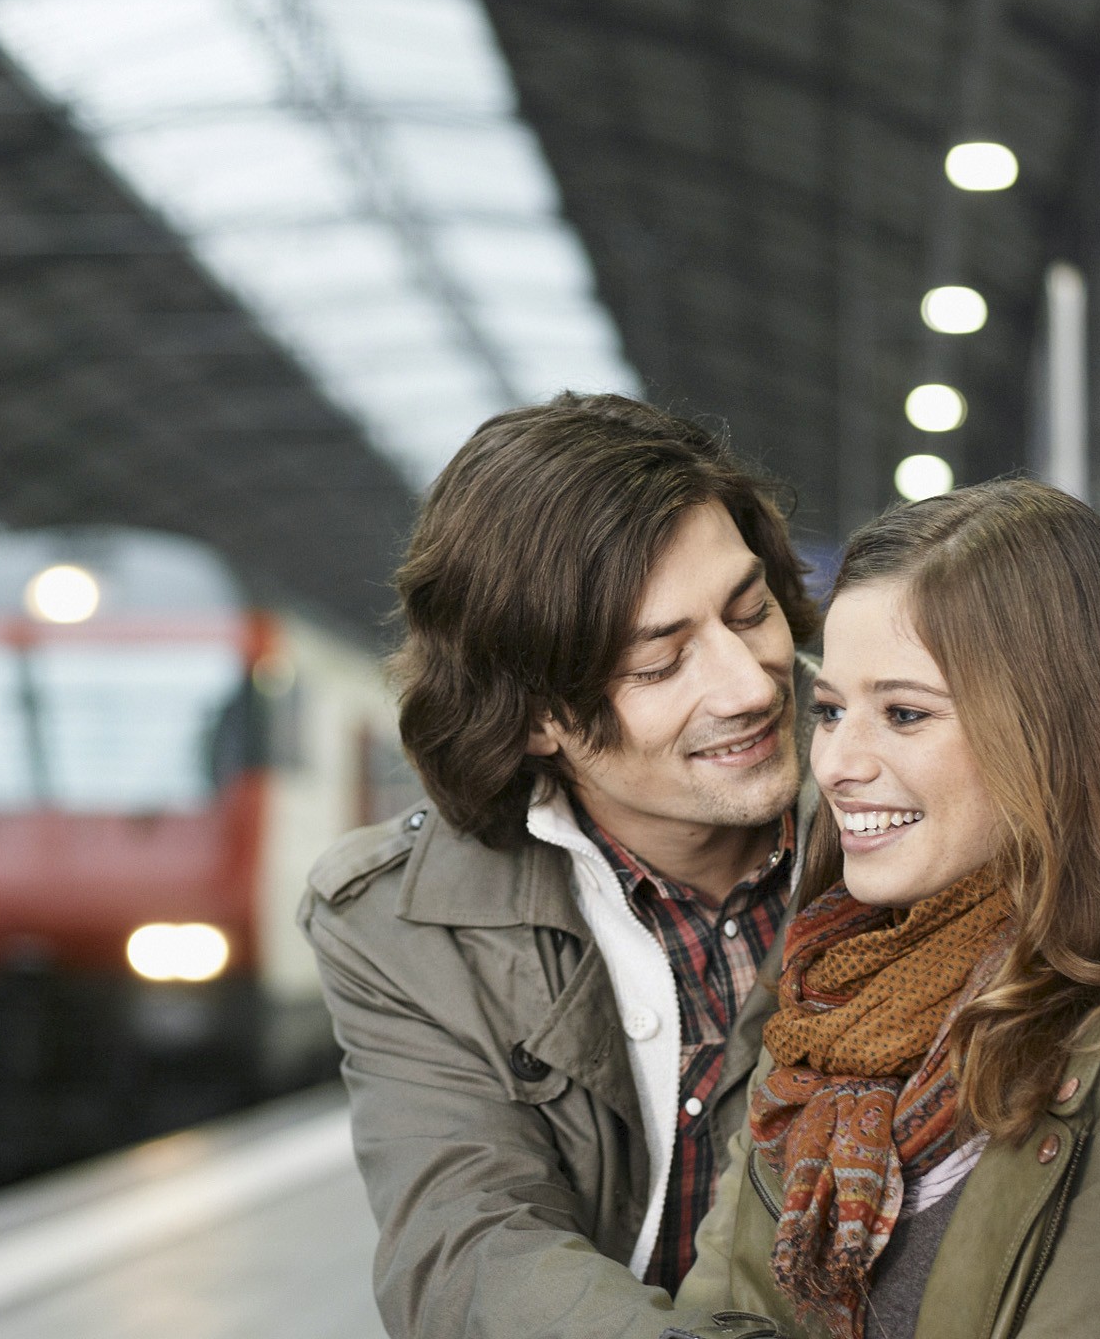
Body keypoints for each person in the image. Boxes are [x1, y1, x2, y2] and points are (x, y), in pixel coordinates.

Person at [299, 393, 823, 1339]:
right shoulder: (402, 923)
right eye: (659, 665)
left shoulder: (930, 809)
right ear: (537, 717)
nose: (750, 685)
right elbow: (469, 1247)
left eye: (751, 613)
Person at [678, 479, 1100, 1339]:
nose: (836, 763)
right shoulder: (820, 1007)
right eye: (831, 711)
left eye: (905, 713)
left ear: (1057, 730)